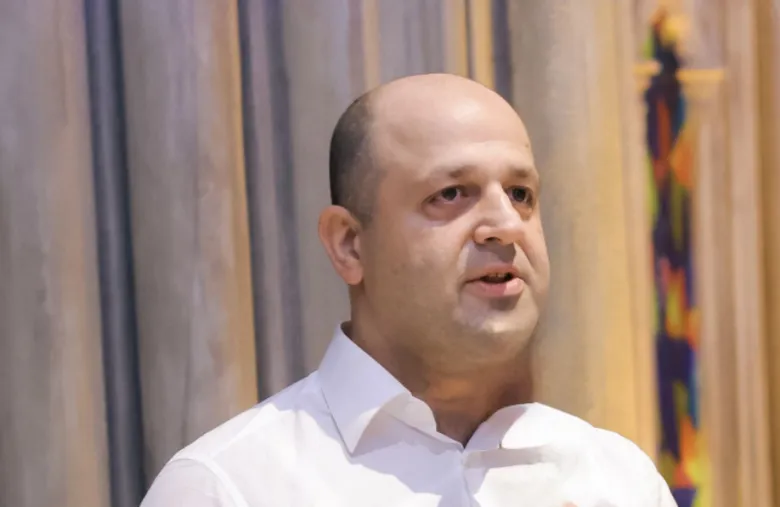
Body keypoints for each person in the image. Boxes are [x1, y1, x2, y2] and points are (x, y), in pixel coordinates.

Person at [141, 73, 676, 506]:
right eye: (451, 194)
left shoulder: (619, 481)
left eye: (520, 194)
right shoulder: (228, 487)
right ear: (350, 244)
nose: (504, 225)